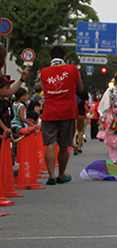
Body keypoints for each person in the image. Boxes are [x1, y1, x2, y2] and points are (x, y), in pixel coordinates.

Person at [40, 45, 83, 185]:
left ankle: (51, 175)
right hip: (67, 111)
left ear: (50, 58)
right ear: (64, 58)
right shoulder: (72, 69)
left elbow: (43, 89)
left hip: (50, 111)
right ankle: (61, 174)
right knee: (64, 145)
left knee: (50, 144)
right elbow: (80, 88)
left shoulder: (44, 72)